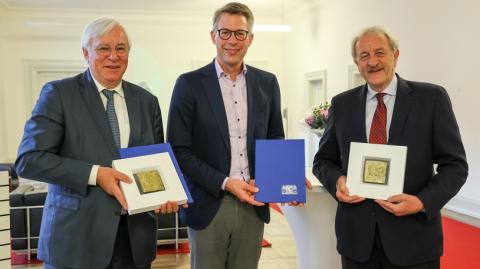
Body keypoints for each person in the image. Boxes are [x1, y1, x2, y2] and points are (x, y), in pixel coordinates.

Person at [15, 17, 179, 269]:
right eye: (103, 48)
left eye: (120, 48)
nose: (113, 56)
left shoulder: (147, 101)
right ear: (86, 52)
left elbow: (154, 162)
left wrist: (164, 195)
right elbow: (29, 160)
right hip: (76, 241)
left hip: (135, 243)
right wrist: (95, 174)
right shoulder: (59, 94)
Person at [313, 26, 468, 269]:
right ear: (356, 62)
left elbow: (455, 166)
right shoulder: (342, 104)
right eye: (364, 56)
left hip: (414, 241)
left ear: (395, 56)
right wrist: (337, 181)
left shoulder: (431, 99)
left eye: (380, 53)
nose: (372, 62)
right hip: (357, 243)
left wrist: (421, 202)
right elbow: (323, 161)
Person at [167, 2, 287, 268]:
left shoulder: (267, 83)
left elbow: (275, 137)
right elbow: (178, 150)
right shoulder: (189, 85)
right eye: (225, 33)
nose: (232, 41)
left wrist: (278, 174)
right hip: (209, 204)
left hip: (254, 202)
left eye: (240, 34)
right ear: (213, 36)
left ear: (250, 39)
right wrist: (225, 181)